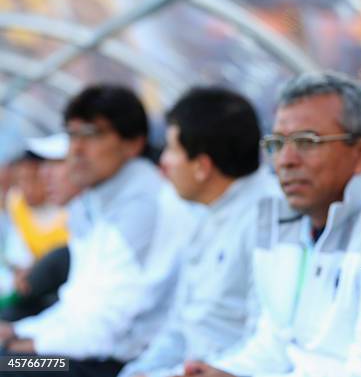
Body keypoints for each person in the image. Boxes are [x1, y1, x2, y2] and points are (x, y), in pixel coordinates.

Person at [184, 72, 361, 377]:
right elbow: (275, 344)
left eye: (305, 141)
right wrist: (224, 372)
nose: (285, 160)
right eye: (277, 143)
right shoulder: (284, 217)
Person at [0, 85, 195, 377]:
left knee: (7, 367)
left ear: (133, 143)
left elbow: (103, 330)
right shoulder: (103, 199)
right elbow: (78, 304)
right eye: (72, 134)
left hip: (112, 363)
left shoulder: (143, 204)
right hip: (84, 351)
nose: (76, 148)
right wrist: (18, 331)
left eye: (92, 134)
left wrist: (27, 344)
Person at [119, 86, 281, 377]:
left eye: (171, 149)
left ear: (203, 166)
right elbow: (180, 327)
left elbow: (265, 343)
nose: (163, 162)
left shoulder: (268, 217)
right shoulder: (205, 213)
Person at [0, 133, 78, 321]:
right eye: (20, 180)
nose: (26, 188)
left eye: (33, 179)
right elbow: (19, 253)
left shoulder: (71, 210)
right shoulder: (16, 202)